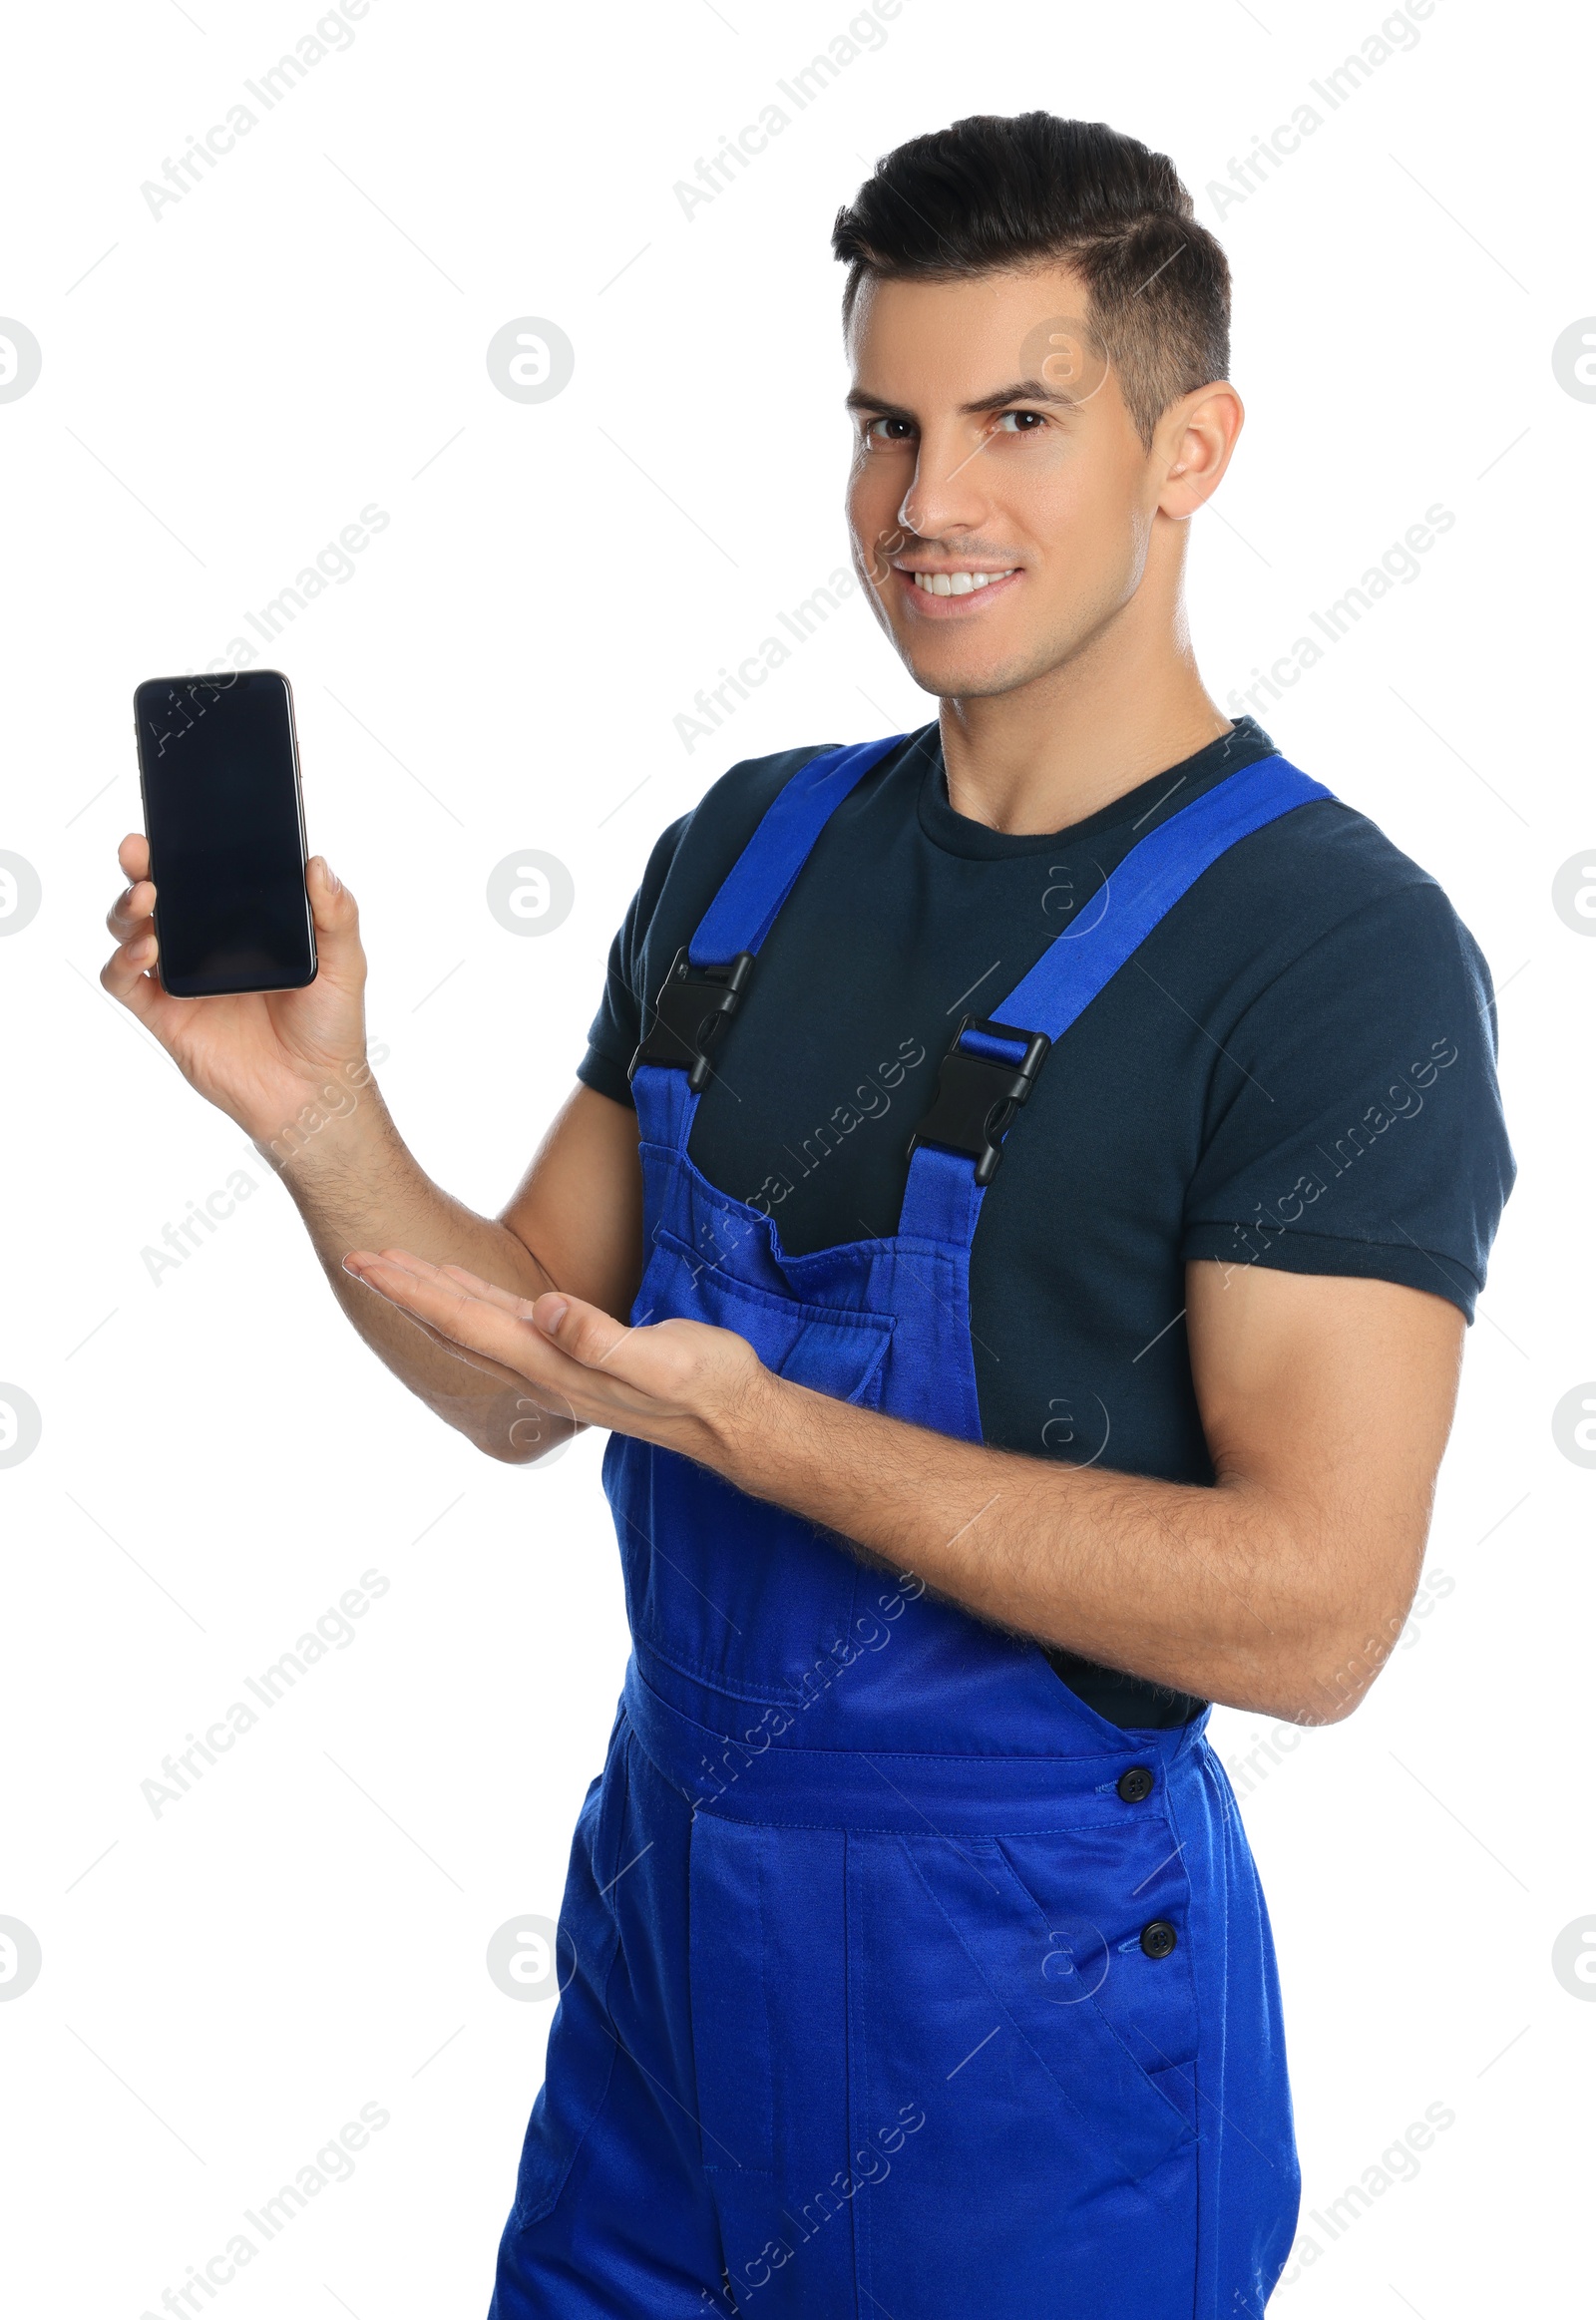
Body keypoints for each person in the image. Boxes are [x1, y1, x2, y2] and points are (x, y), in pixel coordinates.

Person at [102, 111, 1514, 2320]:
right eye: (883, 423)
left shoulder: (1321, 952)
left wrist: (767, 1435)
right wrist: (319, 1112)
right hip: (674, 1931)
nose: (924, 505)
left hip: (1021, 2011)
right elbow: (524, 1377)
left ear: (1190, 446)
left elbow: (1316, 1608)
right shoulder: (745, 853)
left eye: (1013, 423)